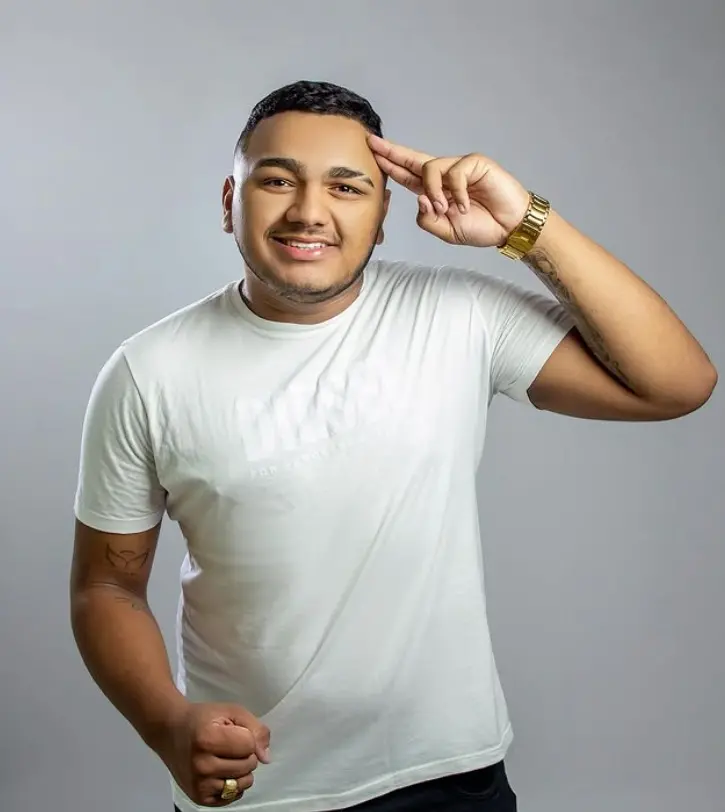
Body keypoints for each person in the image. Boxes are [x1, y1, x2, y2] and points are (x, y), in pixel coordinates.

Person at [69, 80, 717, 812]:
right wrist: (166, 724)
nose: (308, 211)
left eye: (347, 187)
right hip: (253, 786)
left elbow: (678, 384)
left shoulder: (457, 316)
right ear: (229, 201)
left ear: (382, 217)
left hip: (449, 776)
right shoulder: (147, 372)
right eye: (276, 181)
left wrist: (525, 227)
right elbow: (106, 588)